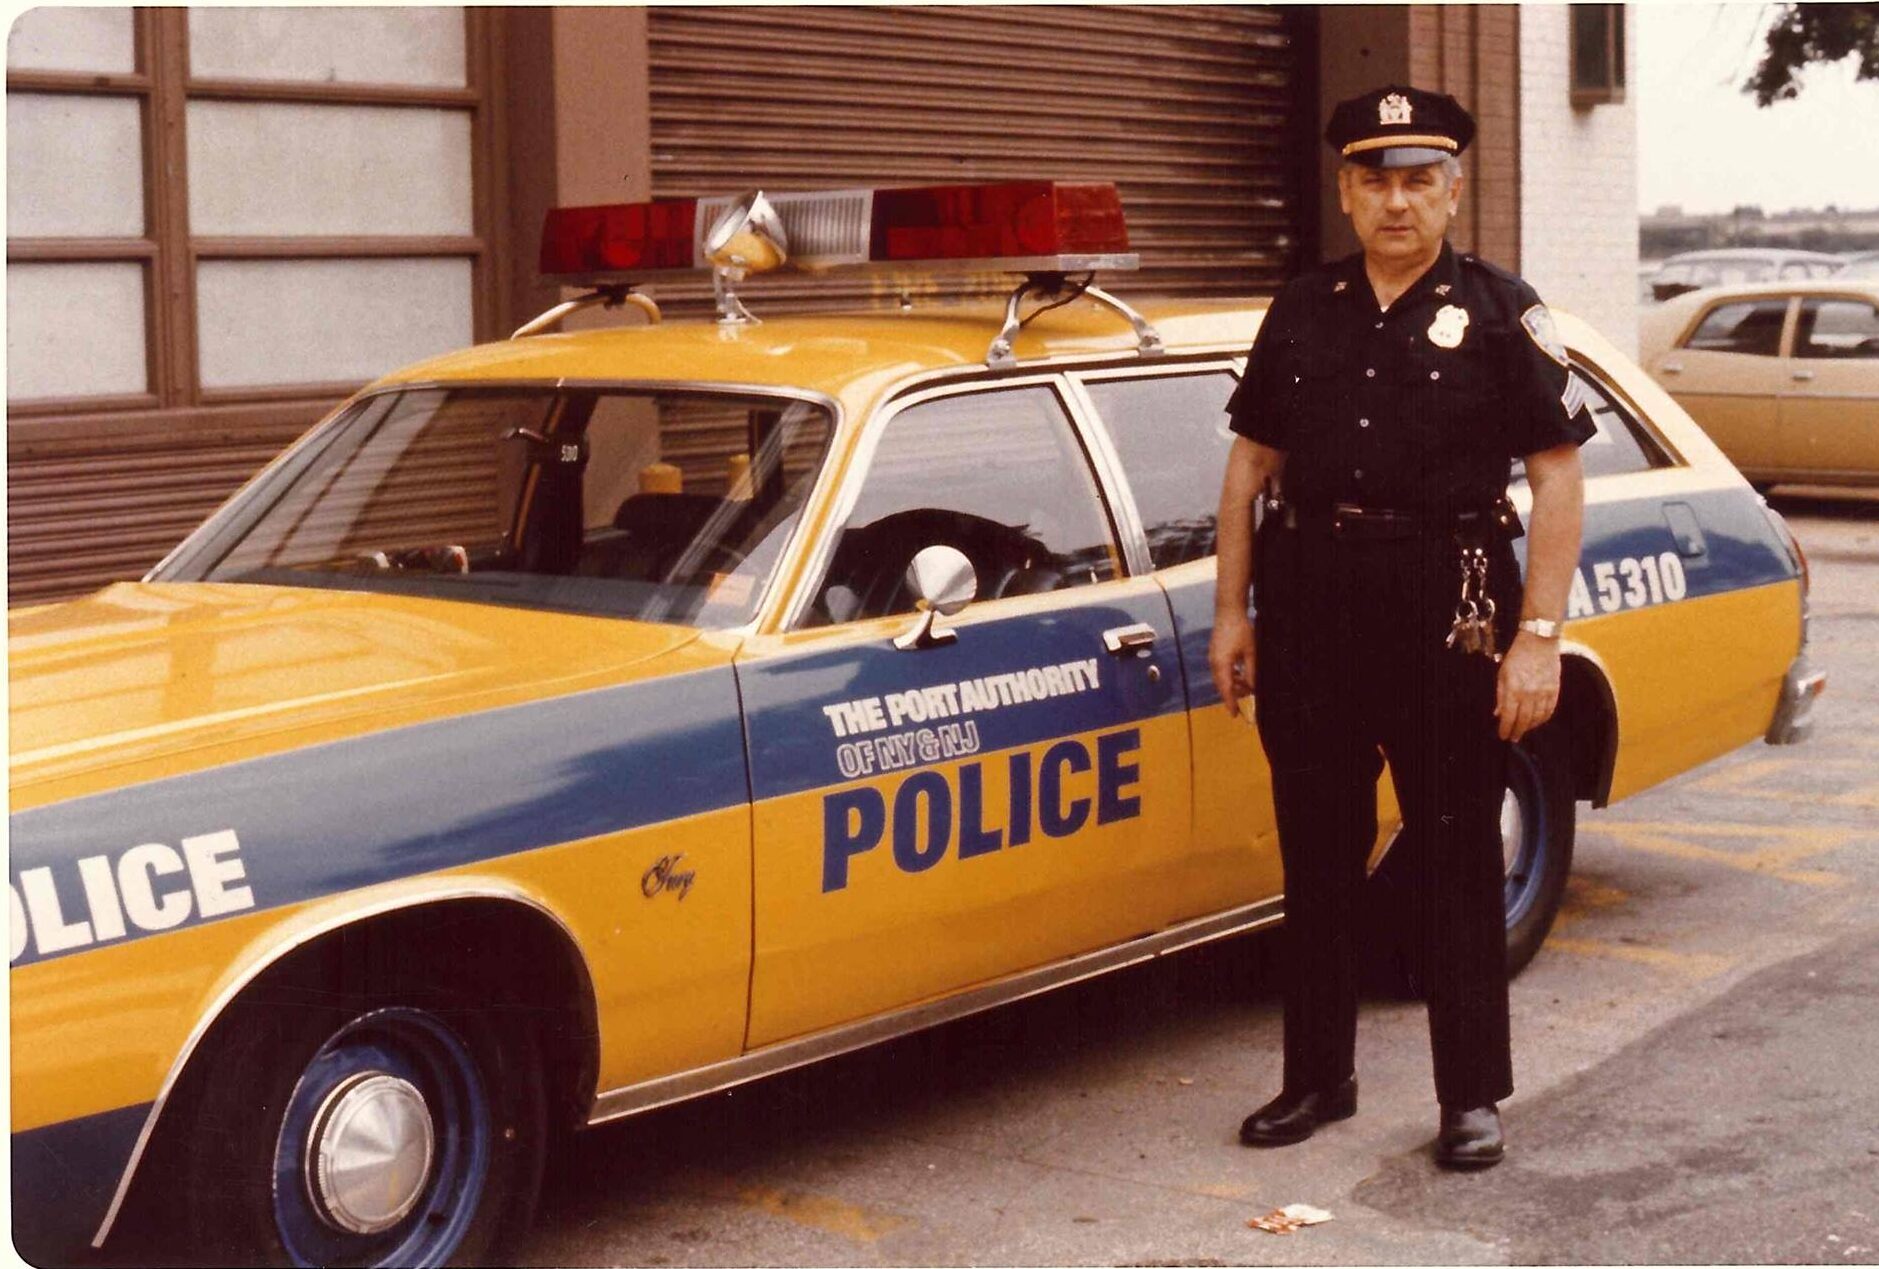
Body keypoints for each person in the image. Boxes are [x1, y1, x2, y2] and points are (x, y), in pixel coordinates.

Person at [1208, 84, 1592, 1170]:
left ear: (1454, 190)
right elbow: (1250, 465)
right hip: (1313, 594)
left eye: (1419, 180)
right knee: (1316, 850)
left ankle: (1470, 1098)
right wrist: (1232, 610)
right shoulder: (1301, 309)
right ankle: (1317, 1079)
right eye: (1374, 180)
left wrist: (1539, 633)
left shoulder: (1504, 309)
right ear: (1343, 191)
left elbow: (1555, 480)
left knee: (1455, 853)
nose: (1395, 201)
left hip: (1449, 598)